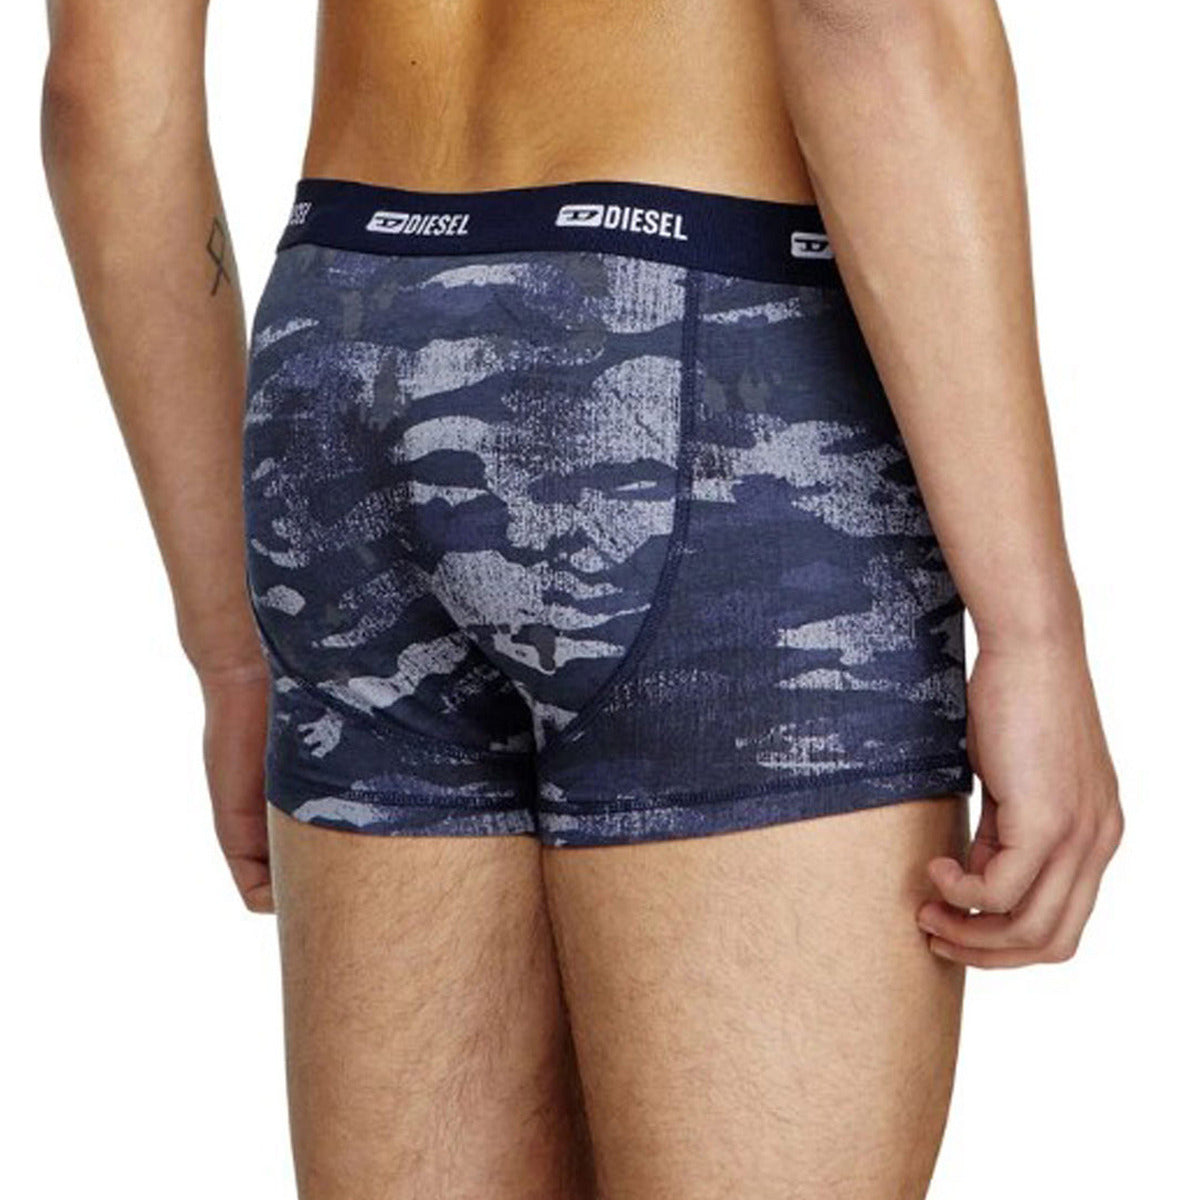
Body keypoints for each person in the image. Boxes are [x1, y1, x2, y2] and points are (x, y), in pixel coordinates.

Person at [41, 0, 1123, 1196]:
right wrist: (1032, 630)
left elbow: (104, 93)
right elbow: (867, 17)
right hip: (701, 343)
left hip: (338, 335)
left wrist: (233, 643)